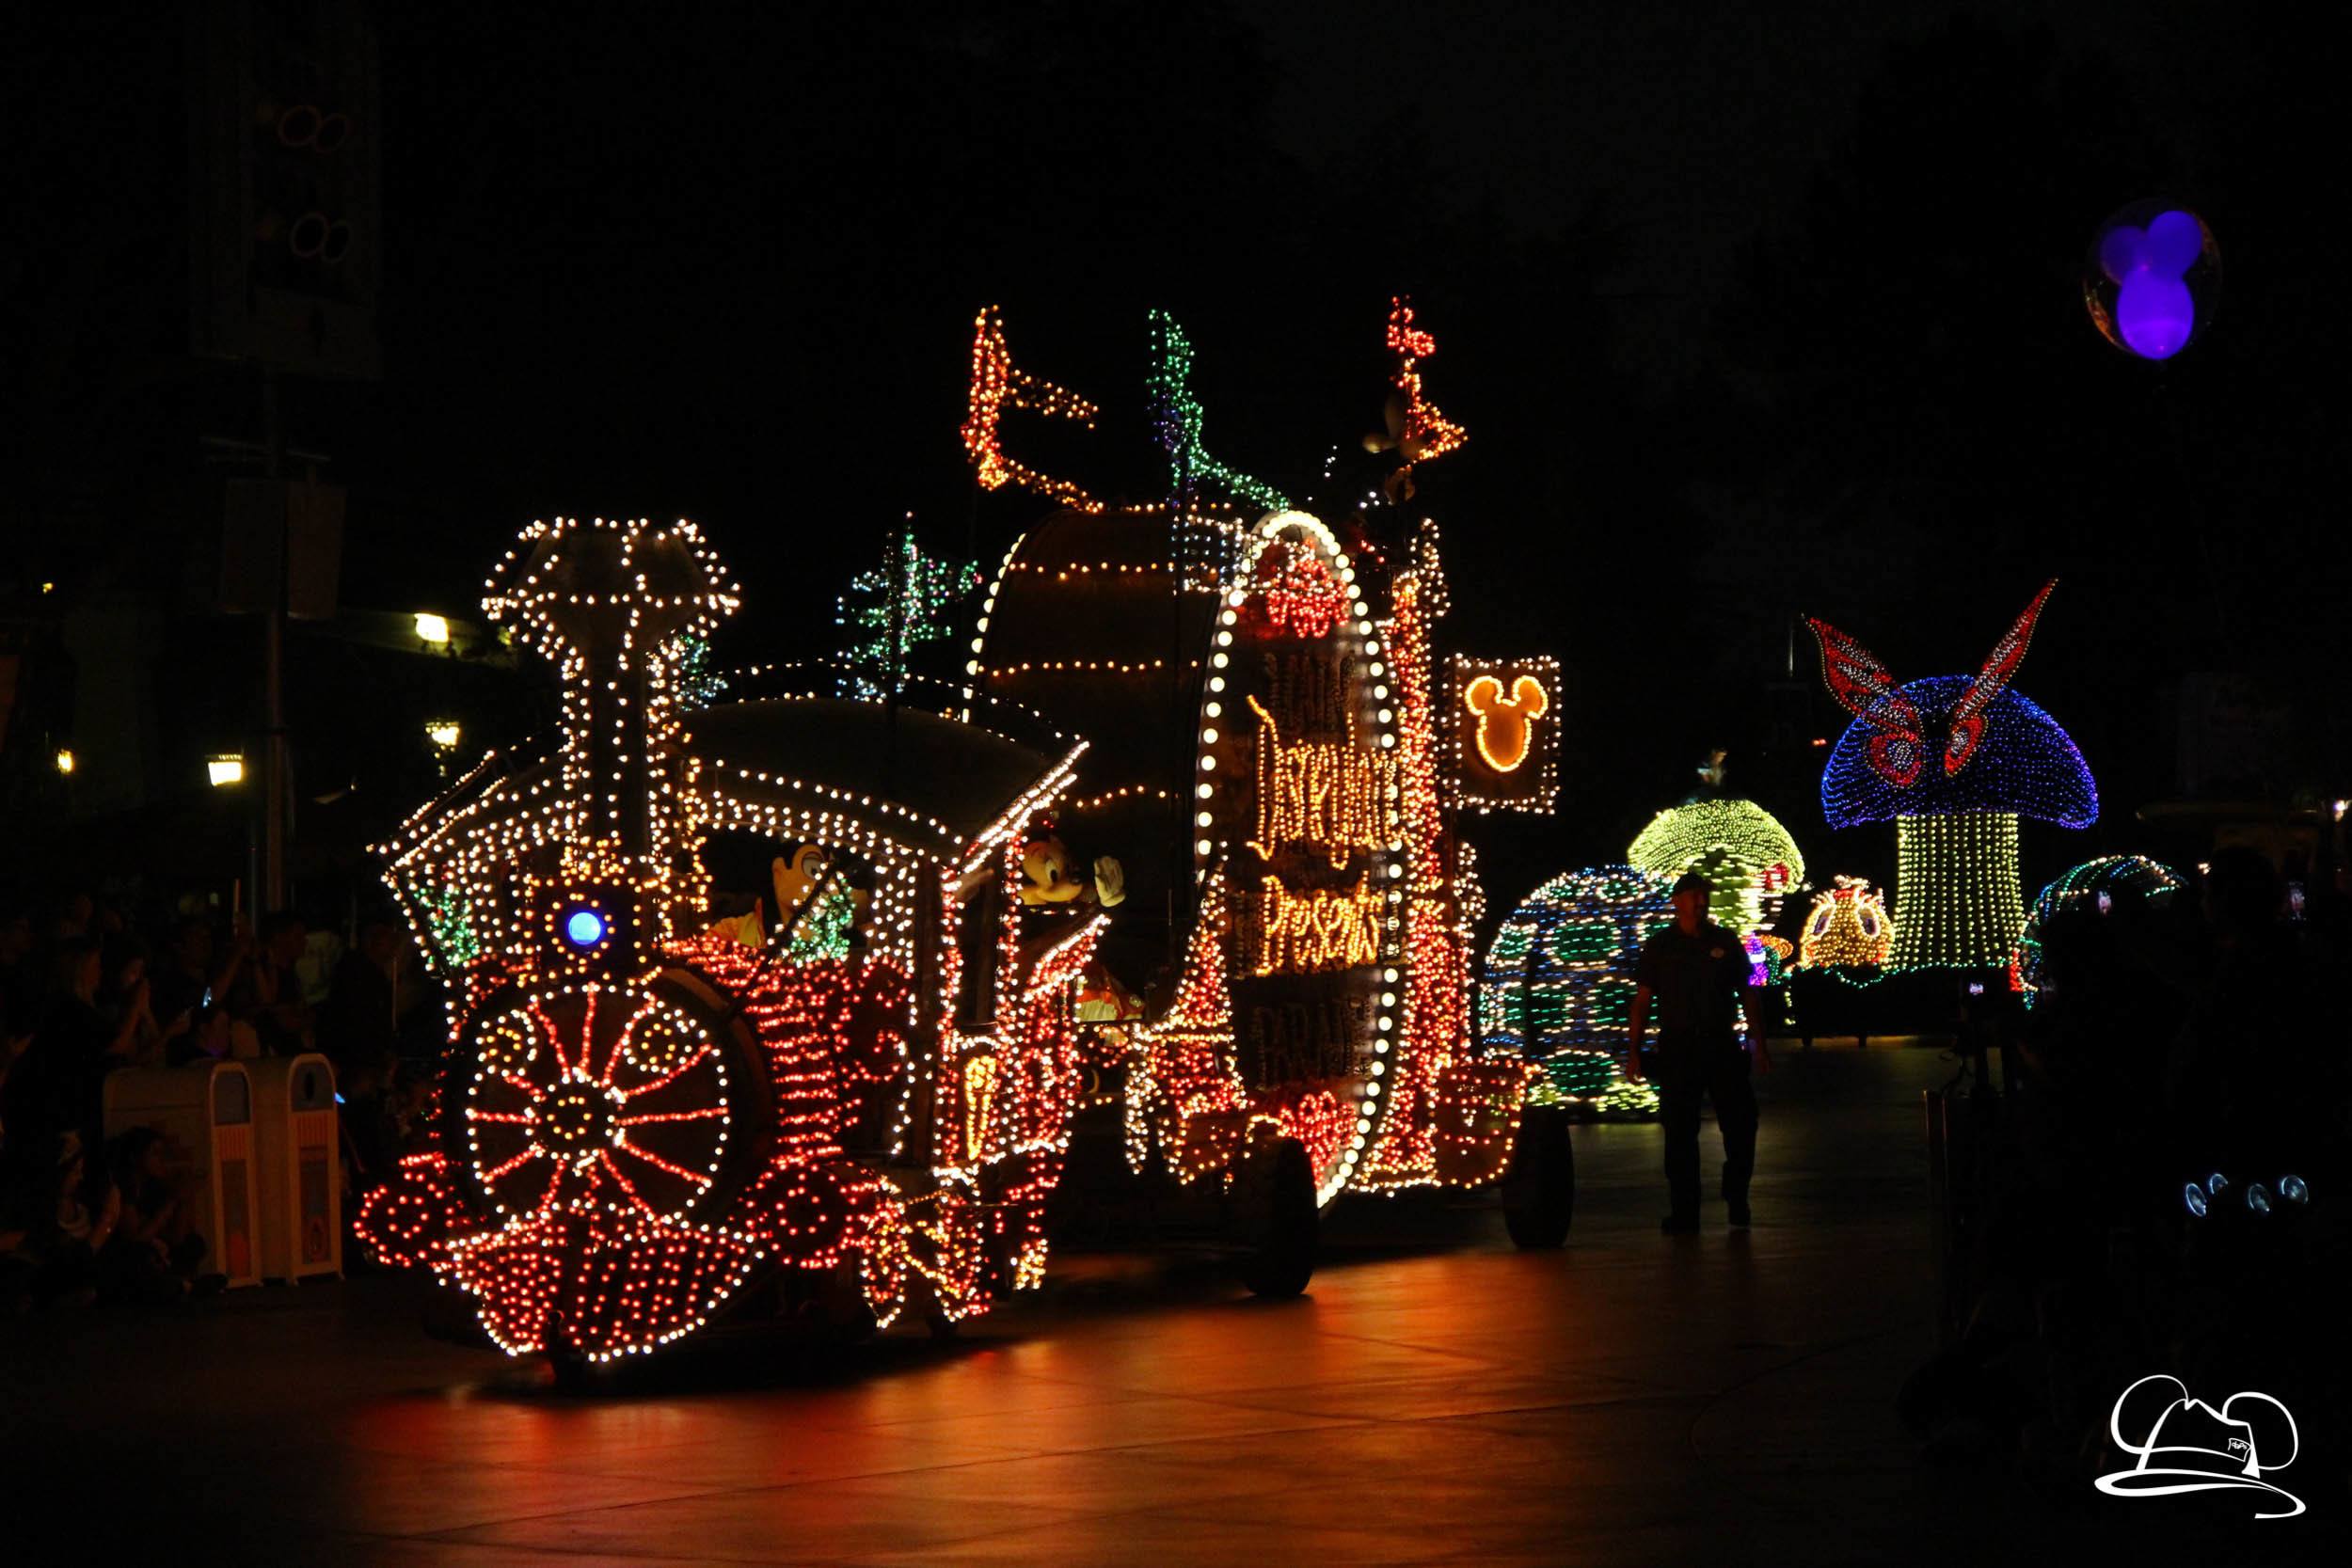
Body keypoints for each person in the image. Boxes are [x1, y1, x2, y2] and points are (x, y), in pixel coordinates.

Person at [1627, 870, 1770, 1232]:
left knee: (1741, 1124)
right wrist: (1634, 1051)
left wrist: (1759, 1045)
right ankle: (1685, 1211)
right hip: (1679, 1049)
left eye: (1704, 895)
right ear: (1677, 901)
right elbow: (1642, 1001)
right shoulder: (1661, 946)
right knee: (1679, 1131)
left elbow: (1748, 994)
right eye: (1694, 895)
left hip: (1721, 1045)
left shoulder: (1725, 941)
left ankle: (1736, 1194)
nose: (1701, 902)